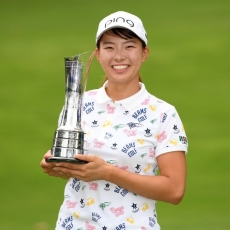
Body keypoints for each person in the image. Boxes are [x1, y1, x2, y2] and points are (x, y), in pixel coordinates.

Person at [40, 11, 188, 230]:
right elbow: (75, 164)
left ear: (144, 53)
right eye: (109, 47)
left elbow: (174, 190)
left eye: (129, 46)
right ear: (98, 54)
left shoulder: (163, 114)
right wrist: (58, 165)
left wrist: (108, 173)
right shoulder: (79, 104)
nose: (119, 56)